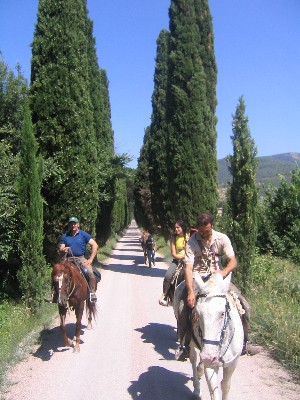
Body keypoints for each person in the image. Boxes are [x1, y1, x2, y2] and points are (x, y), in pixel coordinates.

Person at [176, 212, 250, 361]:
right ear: (197, 228)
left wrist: (223, 272)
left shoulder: (222, 239)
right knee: (183, 307)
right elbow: (188, 268)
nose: (204, 234)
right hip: (199, 279)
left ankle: (245, 342)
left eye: (207, 231)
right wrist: (190, 291)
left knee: (243, 305)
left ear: (212, 226)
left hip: (218, 278)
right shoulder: (191, 242)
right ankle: (184, 344)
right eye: (201, 231)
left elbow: (233, 260)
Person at [45, 217, 99, 303]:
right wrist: (64, 249)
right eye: (71, 223)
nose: (73, 225)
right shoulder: (65, 236)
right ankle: (54, 295)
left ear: (78, 224)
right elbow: (61, 247)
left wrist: (90, 259)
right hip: (67, 259)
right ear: (69, 225)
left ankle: (92, 293)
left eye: (75, 223)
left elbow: (95, 245)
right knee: (57, 272)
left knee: (89, 271)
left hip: (80, 258)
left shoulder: (83, 234)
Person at [159, 219, 189, 306]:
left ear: (182, 228)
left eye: (178, 227)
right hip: (178, 261)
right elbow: (173, 253)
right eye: (175, 228)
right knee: (168, 276)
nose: (176, 229)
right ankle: (165, 295)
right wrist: (182, 257)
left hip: (189, 261)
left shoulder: (189, 236)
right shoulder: (174, 238)